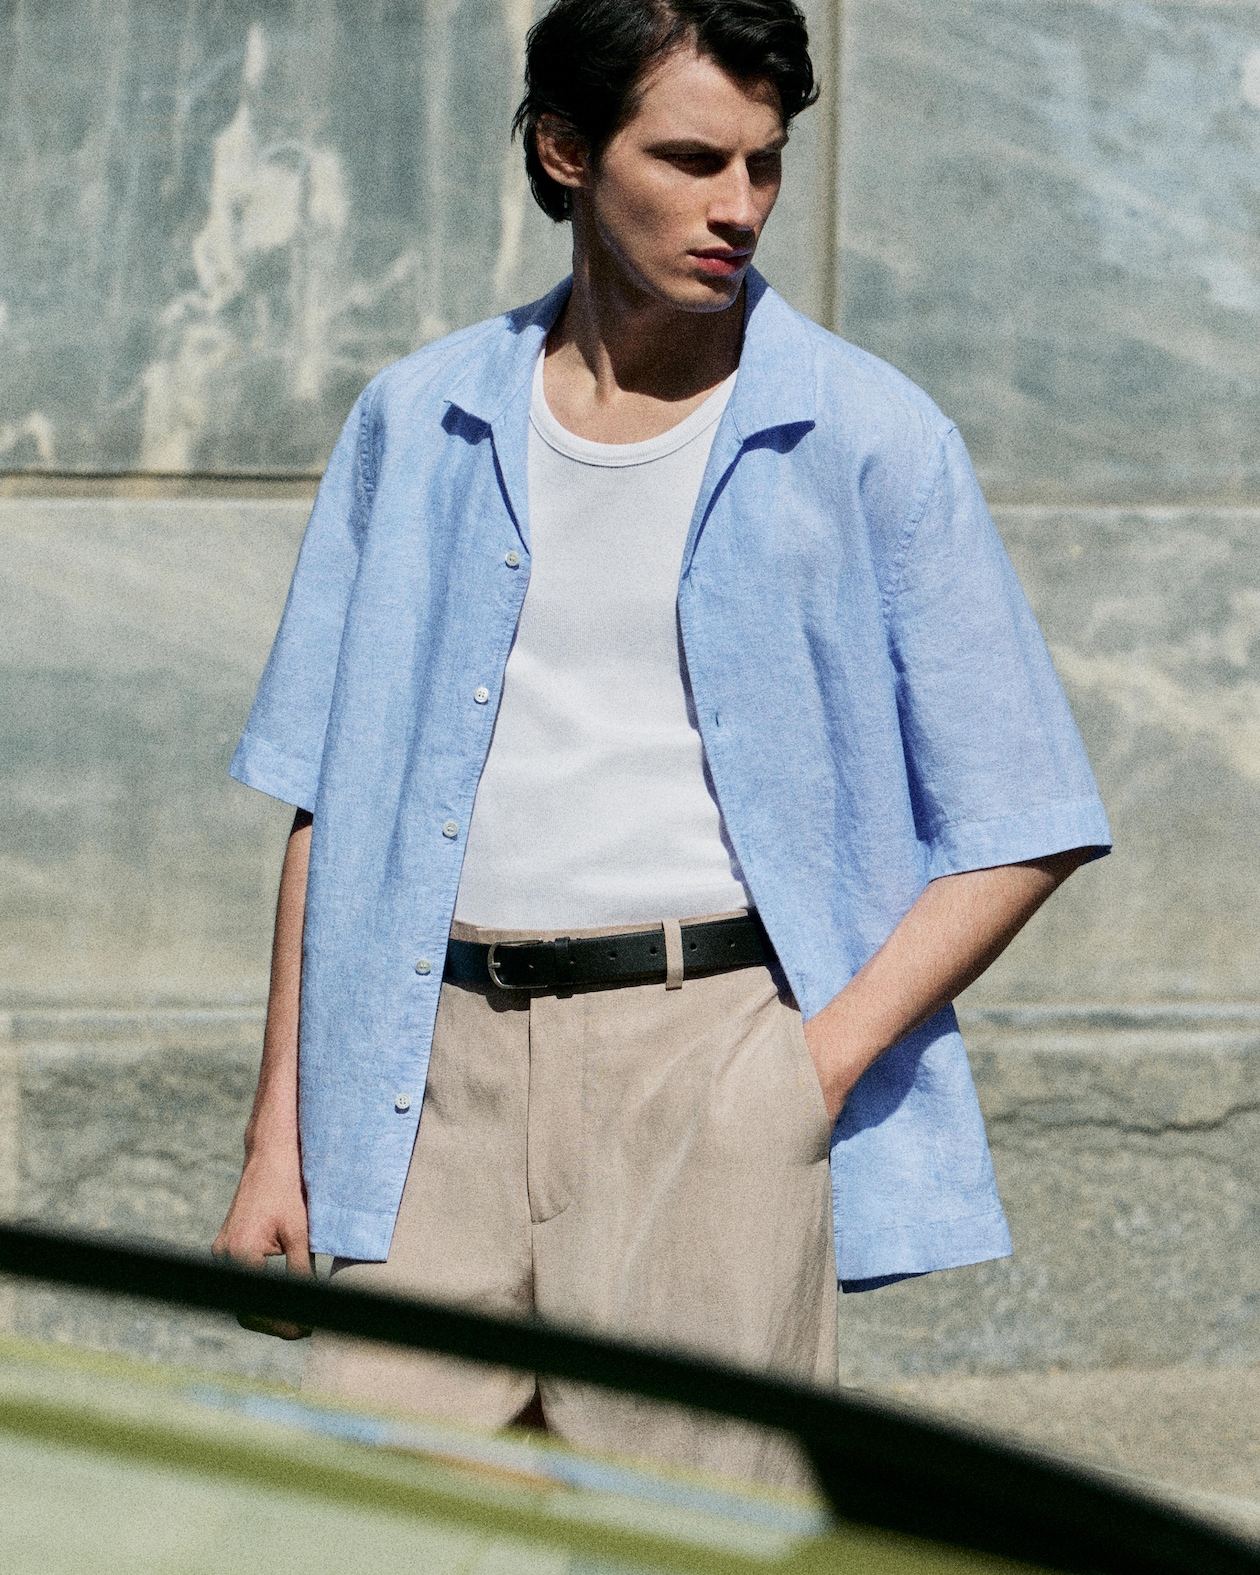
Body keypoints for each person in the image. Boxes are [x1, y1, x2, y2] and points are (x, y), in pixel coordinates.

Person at [214, 0, 1110, 1488]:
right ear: (566, 150)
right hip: (418, 1077)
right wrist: (275, 1143)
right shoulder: (420, 417)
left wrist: (802, 1074)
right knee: (375, 1529)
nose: (739, 206)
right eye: (692, 159)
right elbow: (327, 801)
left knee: (686, 1540)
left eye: (764, 163)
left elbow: (1025, 813)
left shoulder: (866, 434)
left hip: (708, 1060)